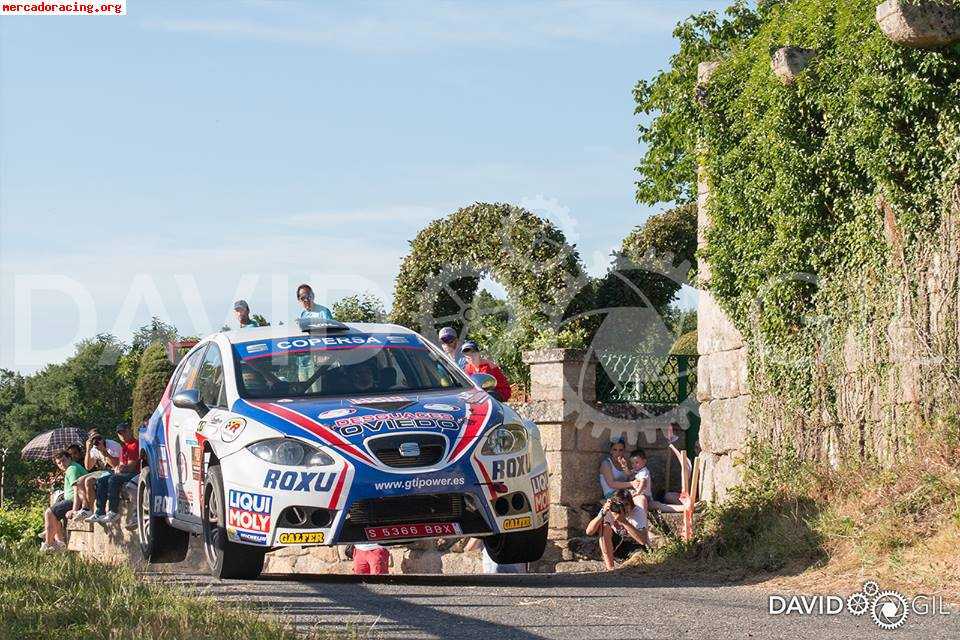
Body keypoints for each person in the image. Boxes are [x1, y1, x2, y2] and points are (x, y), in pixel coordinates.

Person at [89, 424, 140, 525]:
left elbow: (131, 467)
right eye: (119, 433)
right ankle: (100, 512)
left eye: (124, 432)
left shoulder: (135, 444)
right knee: (101, 480)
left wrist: (120, 469)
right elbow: (120, 464)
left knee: (113, 479)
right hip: (125, 473)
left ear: (130, 431)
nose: (122, 435)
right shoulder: (124, 447)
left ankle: (113, 511)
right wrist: (118, 468)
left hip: (135, 473)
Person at [585, 490, 648, 570]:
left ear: (631, 504)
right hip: (618, 545)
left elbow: (643, 541)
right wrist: (602, 514)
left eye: (626, 504)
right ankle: (610, 567)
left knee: (638, 557)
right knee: (604, 527)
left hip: (636, 545)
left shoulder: (637, 512)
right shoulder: (611, 510)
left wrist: (624, 522)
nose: (624, 508)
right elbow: (589, 532)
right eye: (620, 505)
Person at [41, 450, 86, 552]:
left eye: (64, 460)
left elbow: (77, 490)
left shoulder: (72, 469)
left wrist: (74, 509)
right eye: (59, 463)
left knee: (49, 512)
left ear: (69, 458)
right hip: (71, 499)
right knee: (54, 516)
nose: (62, 464)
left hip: (74, 501)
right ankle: (60, 544)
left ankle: (49, 544)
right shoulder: (72, 468)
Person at [72, 432, 121, 521]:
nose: (97, 441)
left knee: (89, 481)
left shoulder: (113, 446)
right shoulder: (94, 448)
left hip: (114, 471)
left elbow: (116, 465)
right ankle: (86, 509)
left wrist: (103, 451)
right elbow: (88, 467)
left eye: (98, 438)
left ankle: (92, 510)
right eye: (93, 439)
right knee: (79, 481)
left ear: (103, 438)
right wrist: (88, 449)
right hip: (103, 472)